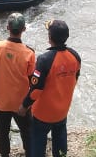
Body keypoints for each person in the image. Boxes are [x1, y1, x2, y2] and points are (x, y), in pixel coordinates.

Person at [21, 19, 81, 157]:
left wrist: (24, 106)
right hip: (62, 111)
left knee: (37, 144)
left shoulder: (44, 60)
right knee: (60, 142)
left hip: (43, 114)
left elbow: (36, 90)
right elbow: (74, 80)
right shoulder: (75, 56)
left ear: (49, 38)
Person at [0, 13, 36, 157]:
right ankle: (29, 153)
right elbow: (32, 80)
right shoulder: (29, 53)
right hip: (20, 103)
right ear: (24, 29)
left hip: (1, 101)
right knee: (27, 131)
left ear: (7, 27)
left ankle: (5, 155)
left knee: (2, 133)